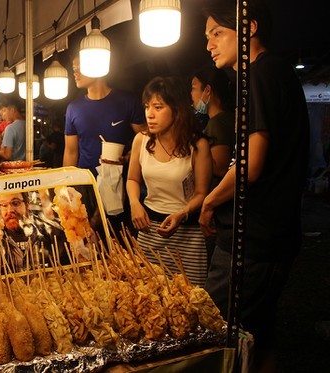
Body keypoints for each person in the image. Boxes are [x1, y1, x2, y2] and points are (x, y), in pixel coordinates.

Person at [199, 2, 309, 371]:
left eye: (218, 33)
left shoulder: (260, 73)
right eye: (207, 36)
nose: (210, 44)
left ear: (248, 28)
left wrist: (209, 202)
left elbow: (251, 164)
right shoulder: (274, 73)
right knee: (257, 342)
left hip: (254, 240)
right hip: (271, 238)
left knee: (216, 340)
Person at [127, 76, 212, 286]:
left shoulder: (198, 145)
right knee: (149, 300)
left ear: (176, 109)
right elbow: (131, 179)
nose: (150, 114)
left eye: (158, 107)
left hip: (187, 235)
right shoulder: (142, 139)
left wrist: (182, 213)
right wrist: (135, 204)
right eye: (147, 107)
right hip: (149, 231)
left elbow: (202, 193)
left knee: (190, 302)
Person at [64, 56, 145, 233]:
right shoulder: (73, 108)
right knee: (88, 241)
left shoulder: (126, 101)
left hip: (119, 186)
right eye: (74, 69)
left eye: (79, 68)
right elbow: (70, 152)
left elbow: (146, 138)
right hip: (85, 187)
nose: (75, 73)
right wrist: (66, 189)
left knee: (119, 241)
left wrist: (130, 156)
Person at [190, 65, 235, 263]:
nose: (191, 94)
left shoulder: (219, 122)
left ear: (207, 91)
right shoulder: (216, 121)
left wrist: (192, 157)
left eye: (193, 87)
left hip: (218, 202)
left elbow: (220, 166)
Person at [0, 192, 67, 277]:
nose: (10, 210)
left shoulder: (49, 233)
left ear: (27, 205)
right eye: (4, 205)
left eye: (15, 203)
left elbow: (68, 270)